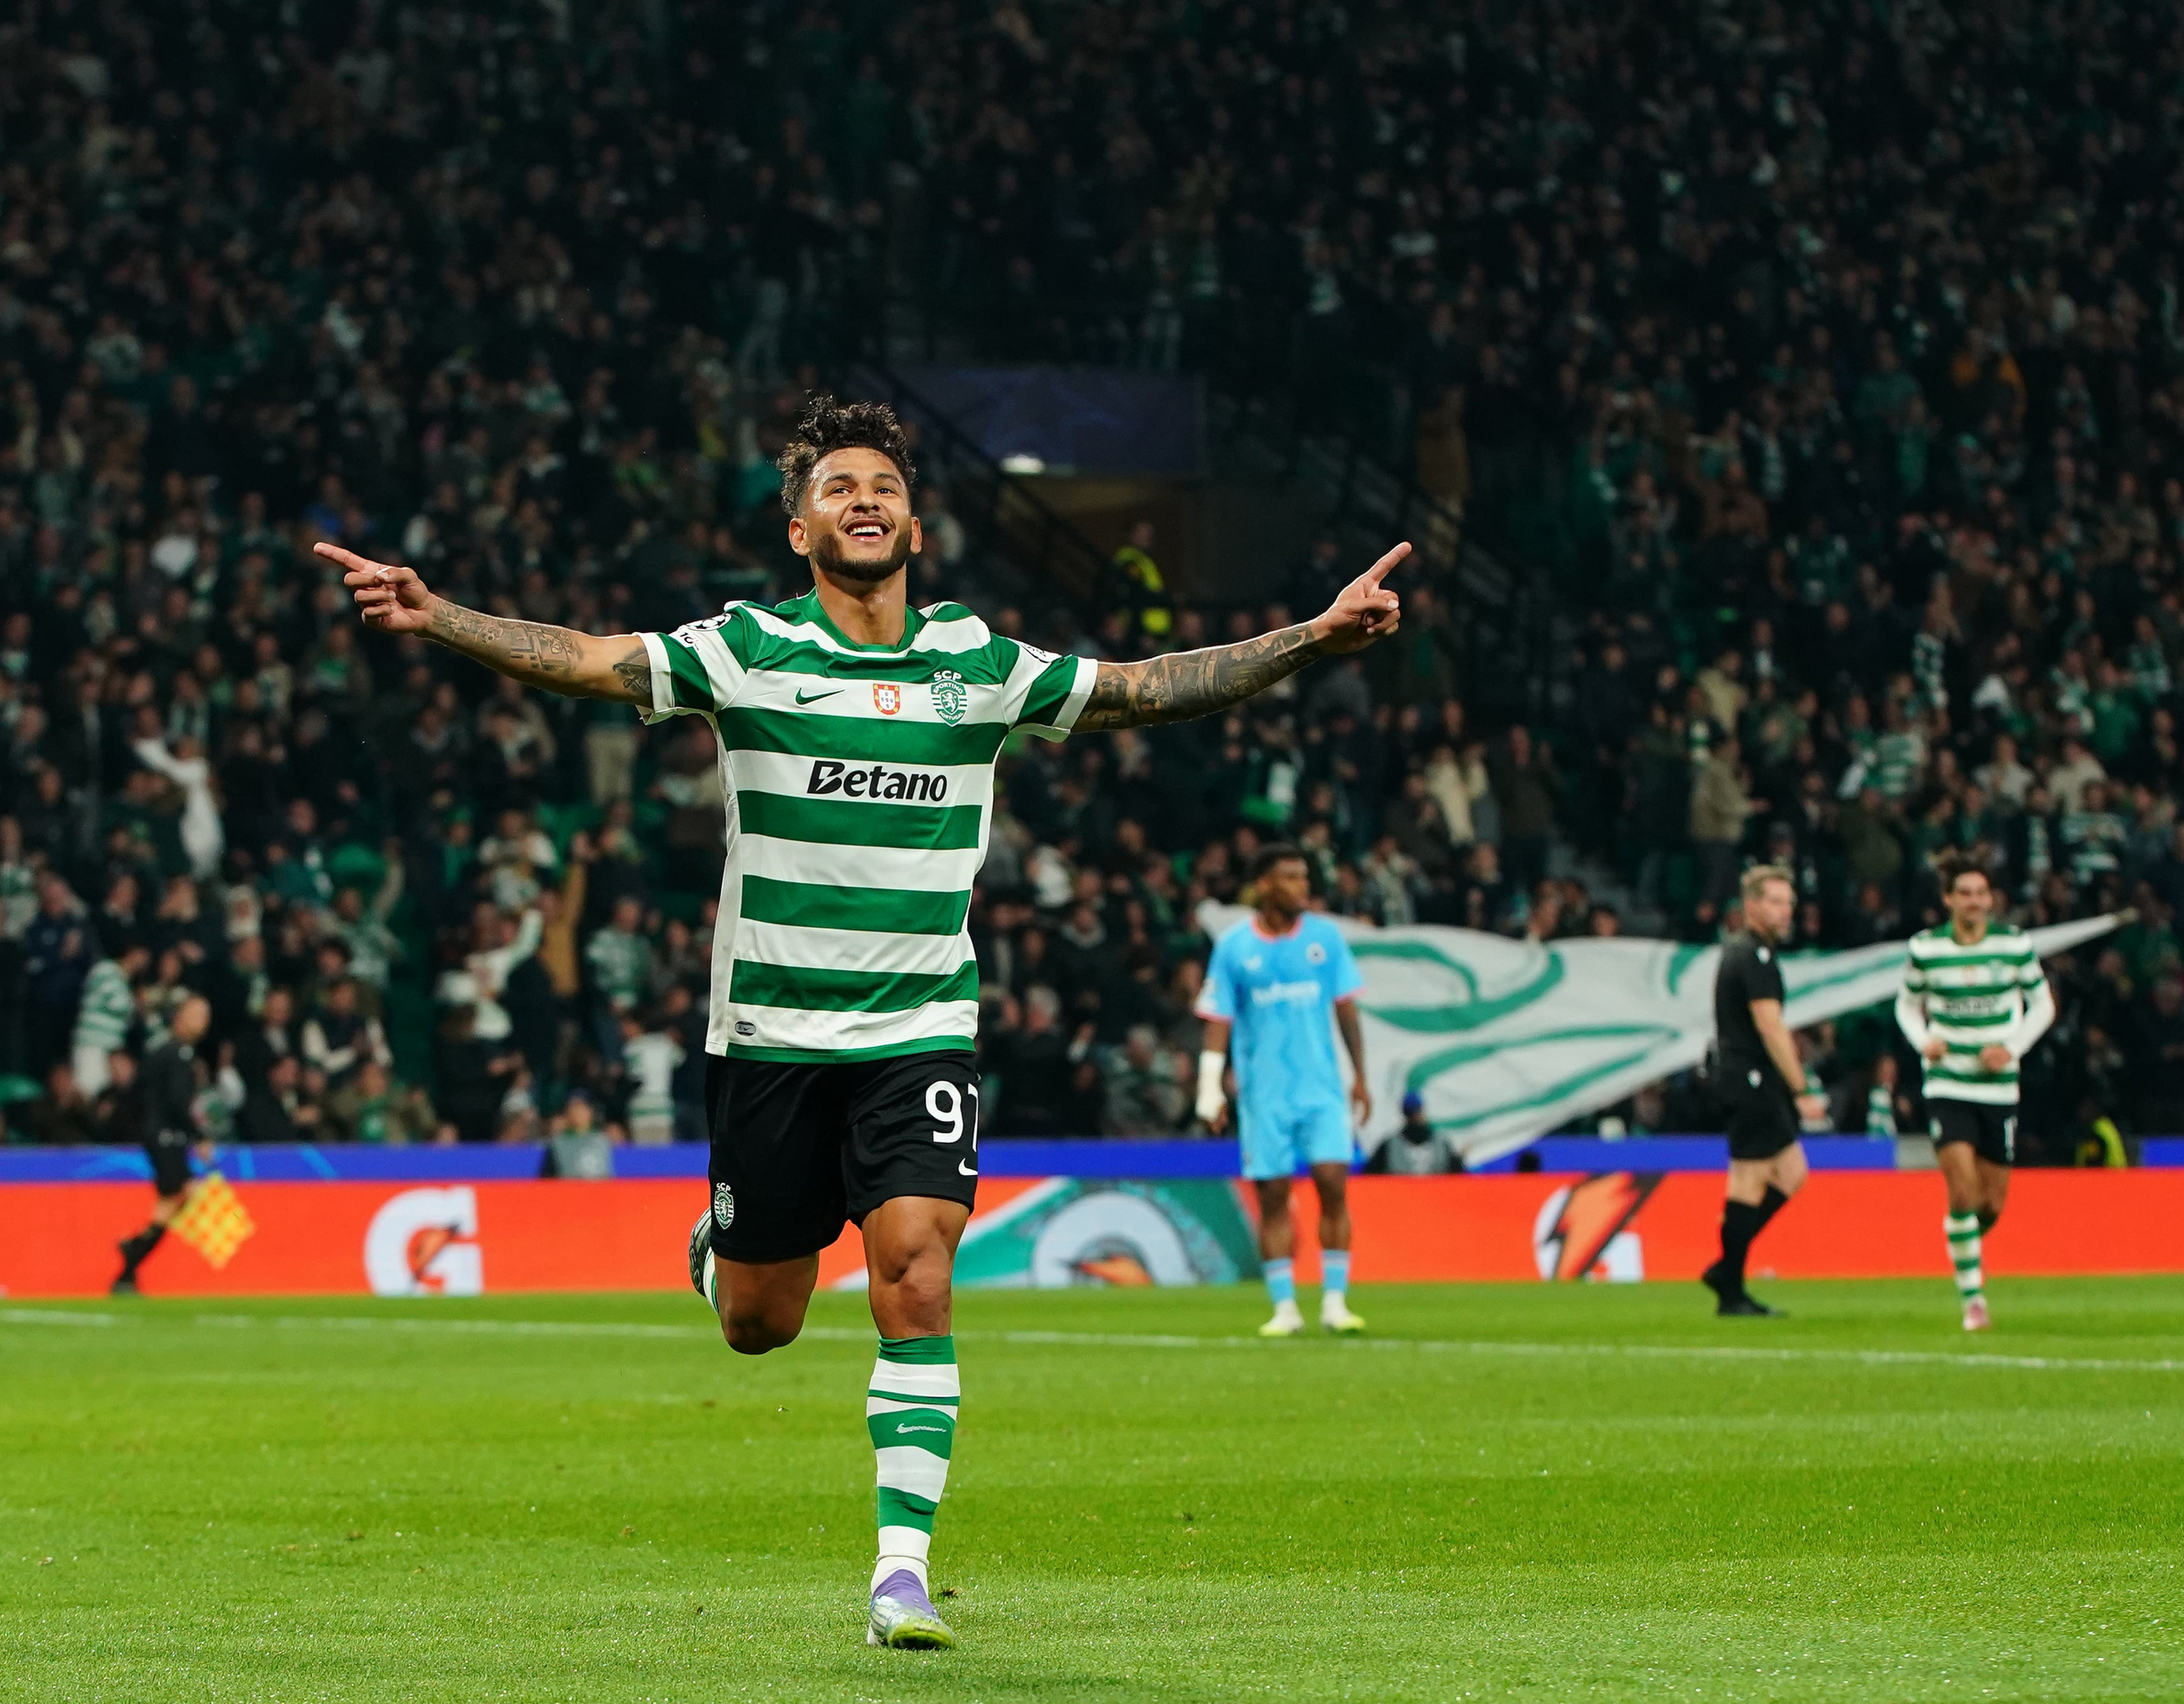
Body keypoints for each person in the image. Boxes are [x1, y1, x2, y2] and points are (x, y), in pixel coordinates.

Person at [321, 393, 1409, 1650]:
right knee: (758, 1324)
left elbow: (1146, 687)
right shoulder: (745, 651)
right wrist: (437, 614)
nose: (864, 500)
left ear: (914, 525)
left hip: (918, 1031)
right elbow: (584, 657)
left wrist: (1311, 641)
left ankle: (900, 1572)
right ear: (798, 530)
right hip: (773, 1042)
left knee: (917, 1276)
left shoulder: (976, 663)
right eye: (837, 488)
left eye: (882, 487)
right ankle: (726, 1242)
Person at [1195, 843, 1373, 1337]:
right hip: (1263, 1094)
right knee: (1273, 1195)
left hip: (1321, 1088)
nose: (1303, 886)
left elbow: (1347, 1009)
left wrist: (1360, 1075)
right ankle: (1285, 1307)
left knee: (1333, 1183)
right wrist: (1209, 1088)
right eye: (1291, 877)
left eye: (1304, 876)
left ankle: (1335, 1302)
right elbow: (1217, 1020)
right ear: (1266, 886)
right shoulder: (1235, 946)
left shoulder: (1325, 938)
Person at [1893, 853, 2056, 1330]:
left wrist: (2012, 1046)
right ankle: (1974, 1301)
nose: (1974, 901)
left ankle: (1959, 1238)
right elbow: (1907, 1005)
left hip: (1999, 1087)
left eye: (1981, 893)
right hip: (1948, 1083)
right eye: (1964, 893)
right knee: (1962, 1191)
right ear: (1948, 899)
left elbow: (2043, 1003)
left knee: (1992, 1203)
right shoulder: (1926, 949)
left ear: (1991, 899)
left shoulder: (2013, 945)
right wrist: (1924, 1040)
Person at [1704, 865, 1827, 1317]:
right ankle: (1730, 1285)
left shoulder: (1746, 952)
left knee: (1791, 1173)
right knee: (1750, 1179)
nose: (1784, 911)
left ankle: (1727, 1269)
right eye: (1774, 901)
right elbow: (1770, 1026)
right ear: (1751, 906)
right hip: (1750, 1078)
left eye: (1788, 903)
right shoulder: (1751, 955)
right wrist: (1801, 1087)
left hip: (1749, 1078)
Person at [111, 994, 214, 1295]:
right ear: (178, 1017)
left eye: (205, 1014)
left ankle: (132, 1256)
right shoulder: (176, 1054)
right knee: (180, 1194)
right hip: (166, 1136)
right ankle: (131, 1259)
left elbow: (138, 1092)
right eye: (196, 1013)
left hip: (161, 1134)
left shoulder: (167, 1052)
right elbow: (177, 1103)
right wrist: (199, 1136)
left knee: (176, 1198)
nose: (202, 1020)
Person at [1365, 1090, 1463, 1174]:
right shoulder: (1441, 1143)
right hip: (1435, 1194)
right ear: (1422, 1111)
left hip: (1400, 1194)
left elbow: (1368, 1175)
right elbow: (1459, 1173)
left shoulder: (1388, 1145)